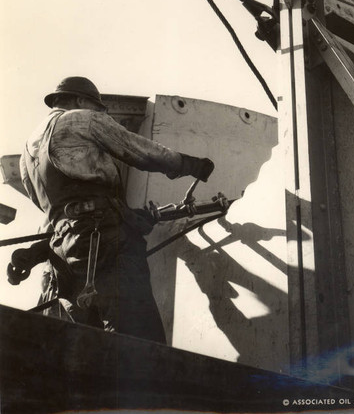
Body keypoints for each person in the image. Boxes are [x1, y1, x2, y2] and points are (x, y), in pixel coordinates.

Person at [19, 76, 214, 343]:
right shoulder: (80, 119)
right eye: (97, 107)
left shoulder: (27, 153)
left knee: (89, 346)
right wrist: (190, 165)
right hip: (105, 241)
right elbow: (138, 150)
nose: (101, 113)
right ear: (78, 100)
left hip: (66, 252)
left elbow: (49, 207)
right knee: (137, 338)